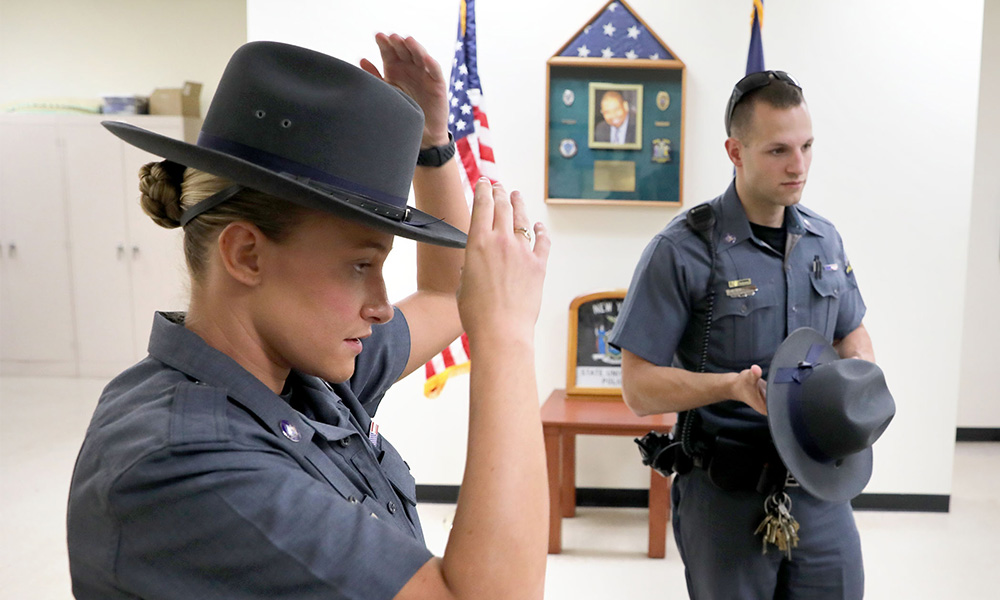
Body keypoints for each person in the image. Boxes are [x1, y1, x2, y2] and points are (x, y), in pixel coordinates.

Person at [67, 33, 551, 600]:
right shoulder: (185, 461)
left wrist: (431, 146)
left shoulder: (295, 374)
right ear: (246, 254)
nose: (381, 304)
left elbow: (448, 297)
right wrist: (508, 339)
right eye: (358, 265)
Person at [610, 70, 874, 599]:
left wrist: (858, 387)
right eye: (778, 150)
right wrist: (730, 387)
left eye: (806, 146)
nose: (797, 165)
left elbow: (852, 333)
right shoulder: (681, 250)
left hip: (820, 488)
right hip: (725, 492)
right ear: (735, 150)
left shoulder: (825, 240)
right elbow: (638, 389)